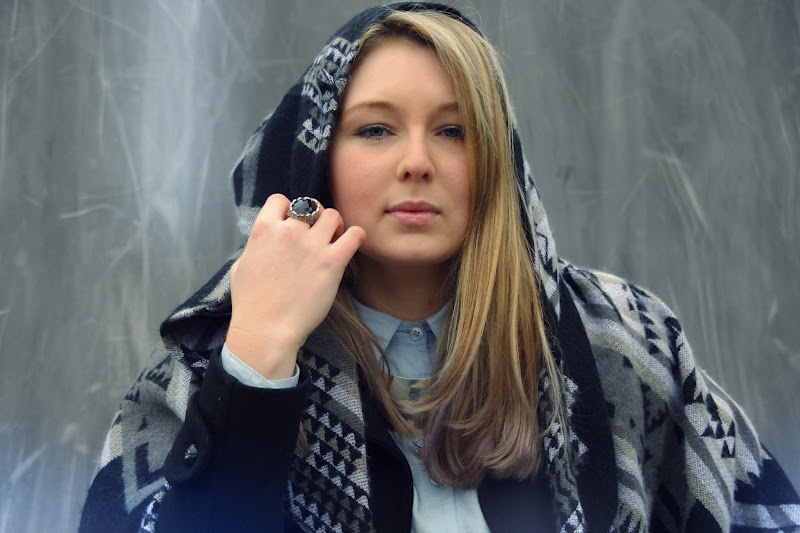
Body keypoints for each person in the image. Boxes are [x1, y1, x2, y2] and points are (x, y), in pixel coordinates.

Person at [79, 3, 800, 532]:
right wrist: (258, 362)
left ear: (496, 160)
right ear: (317, 162)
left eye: (454, 130)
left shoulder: (624, 343)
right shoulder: (206, 358)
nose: (417, 161)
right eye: (375, 129)